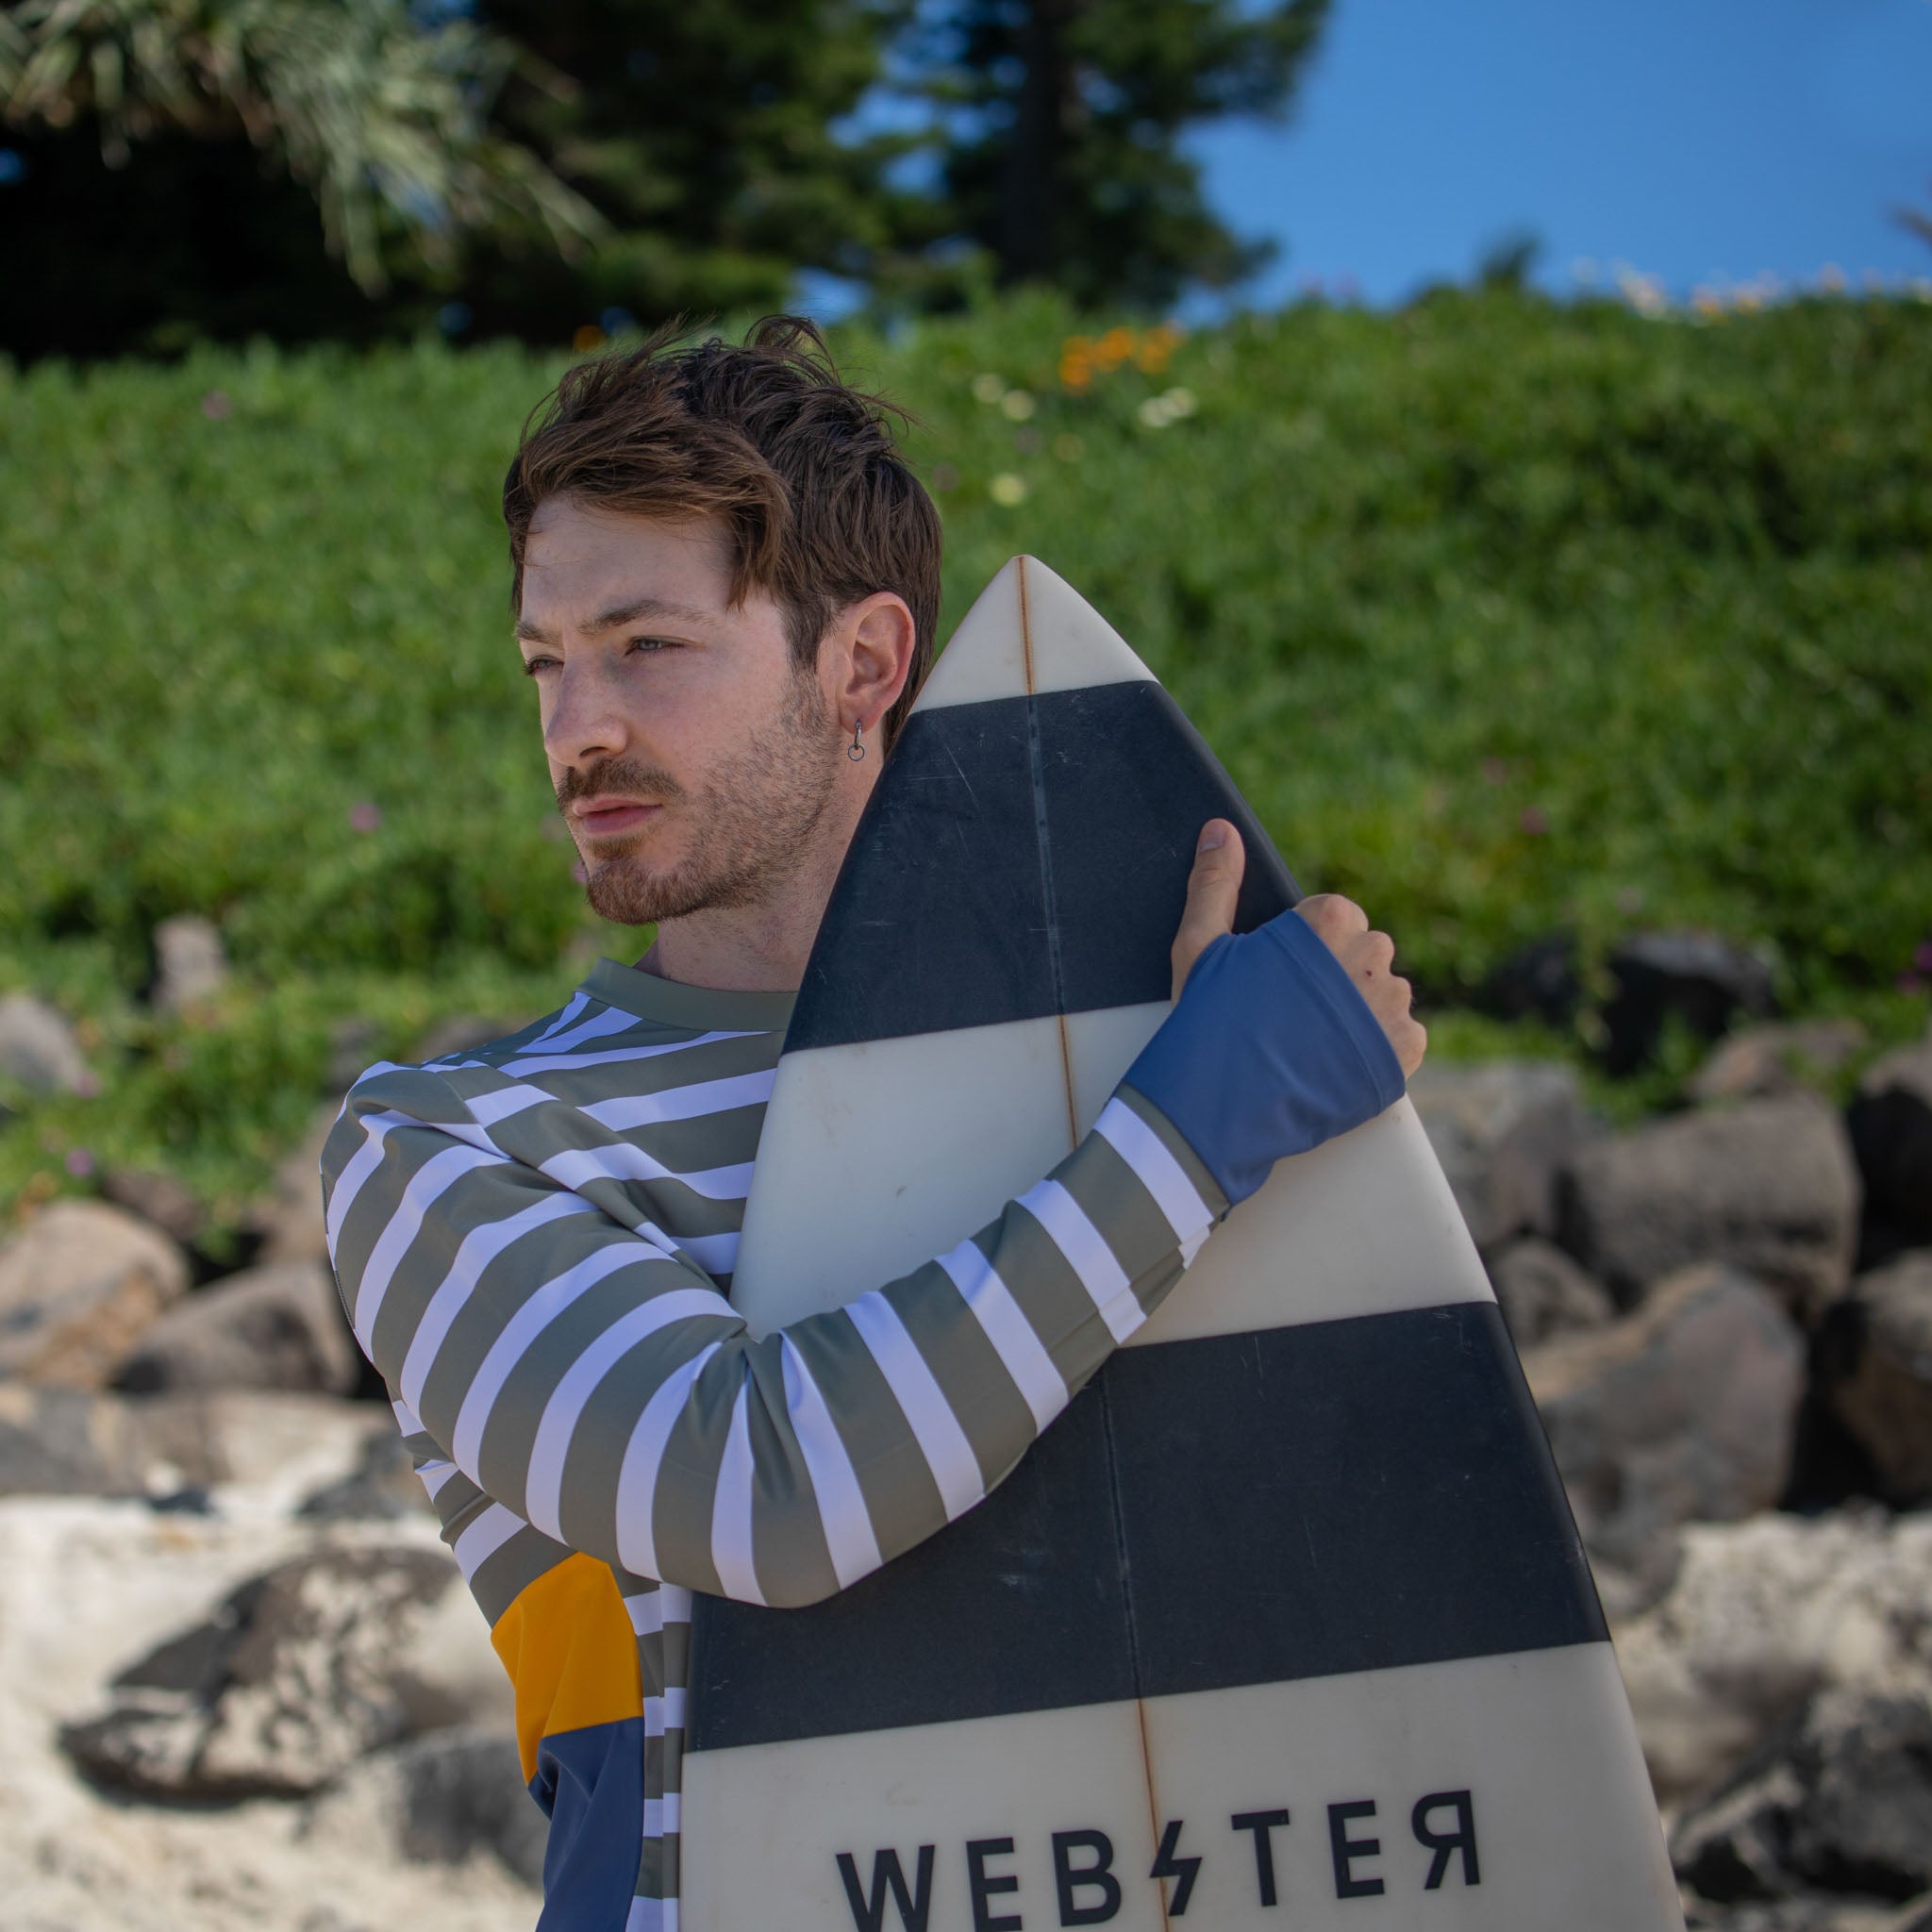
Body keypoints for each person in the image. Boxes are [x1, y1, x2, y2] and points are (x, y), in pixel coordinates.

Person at [320, 316, 1426, 1932]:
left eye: (645, 645)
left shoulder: (1117, 1072)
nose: (576, 731)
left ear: (863, 665)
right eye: (547, 663)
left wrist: (1241, 1106)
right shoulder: (455, 1147)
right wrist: (1205, 1125)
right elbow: (762, 1492)